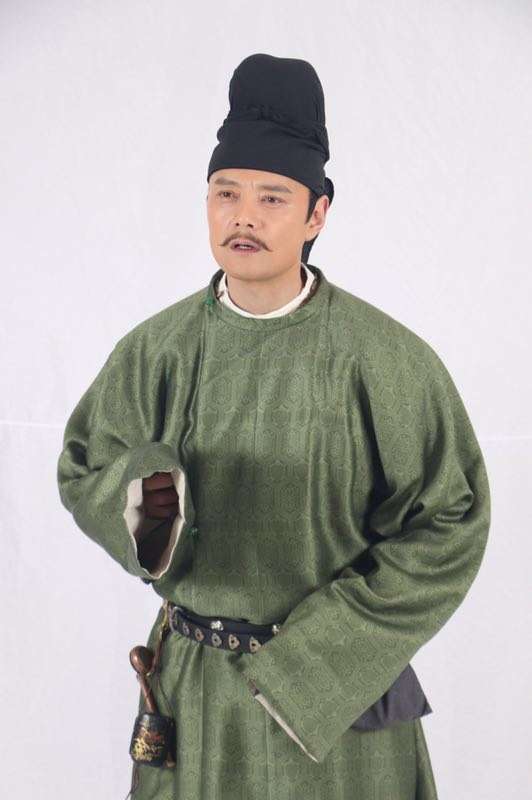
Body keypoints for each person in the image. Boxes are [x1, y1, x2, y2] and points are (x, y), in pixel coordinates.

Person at [56, 54, 491, 800]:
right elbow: (86, 465)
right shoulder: (155, 351)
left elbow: (452, 517)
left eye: (272, 197)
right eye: (226, 193)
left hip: (336, 701)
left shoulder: (387, 360)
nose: (244, 216)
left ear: (317, 214)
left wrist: (324, 656)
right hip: (196, 699)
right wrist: (145, 503)